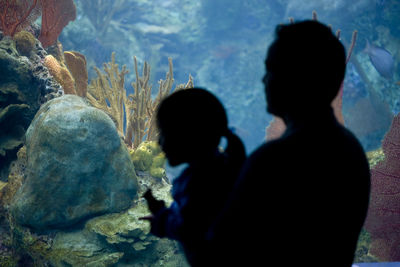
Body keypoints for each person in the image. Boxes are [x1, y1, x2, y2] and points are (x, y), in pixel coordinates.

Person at [208, 20, 371, 267]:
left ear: (296, 79)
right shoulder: (351, 150)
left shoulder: (273, 159)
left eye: (271, 70)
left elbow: (217, 251)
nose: (264, 80)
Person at [141, 88, 246, 266]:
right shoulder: (225, 167)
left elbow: (188, 228)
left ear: (188, 138)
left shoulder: (200, 183)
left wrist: (161, 218)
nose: (159, 142)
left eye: (165, 133)